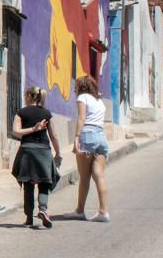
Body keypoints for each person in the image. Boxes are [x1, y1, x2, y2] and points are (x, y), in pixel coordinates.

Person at [59, 76, 111, 222]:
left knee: (84, 177)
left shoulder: (83, 97)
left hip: (88, 134)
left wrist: (76, 138)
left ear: (80, 87)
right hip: (101, 136)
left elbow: (82, 117)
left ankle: (80, 211)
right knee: (99, 175)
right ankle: (103, 211)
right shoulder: (99, 101)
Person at [11, 86, 63, 227]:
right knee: (44, 182)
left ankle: (29, 218)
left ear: (29, 96)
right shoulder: (46, 113)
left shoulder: (21, 112)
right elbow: (54, 136)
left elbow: (16, 132)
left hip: (27, 151)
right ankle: (44, 210)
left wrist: (31, 129)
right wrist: (58, 153)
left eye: (24, 95)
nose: (24, 97)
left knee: (28, 184)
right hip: (43, 152)